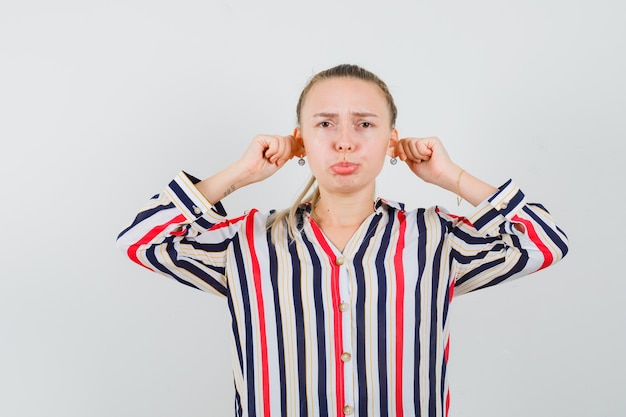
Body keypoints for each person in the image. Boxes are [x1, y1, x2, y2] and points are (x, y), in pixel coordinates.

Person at [116, 64, 569, 417]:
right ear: (300, 141)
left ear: (393, 142)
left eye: (365, 125)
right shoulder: (246, 243)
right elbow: (141, 240)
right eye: (326, 124)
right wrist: (238, 175)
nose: (345, 142)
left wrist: (451, 177)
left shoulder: (436, 240)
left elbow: (545, 241)